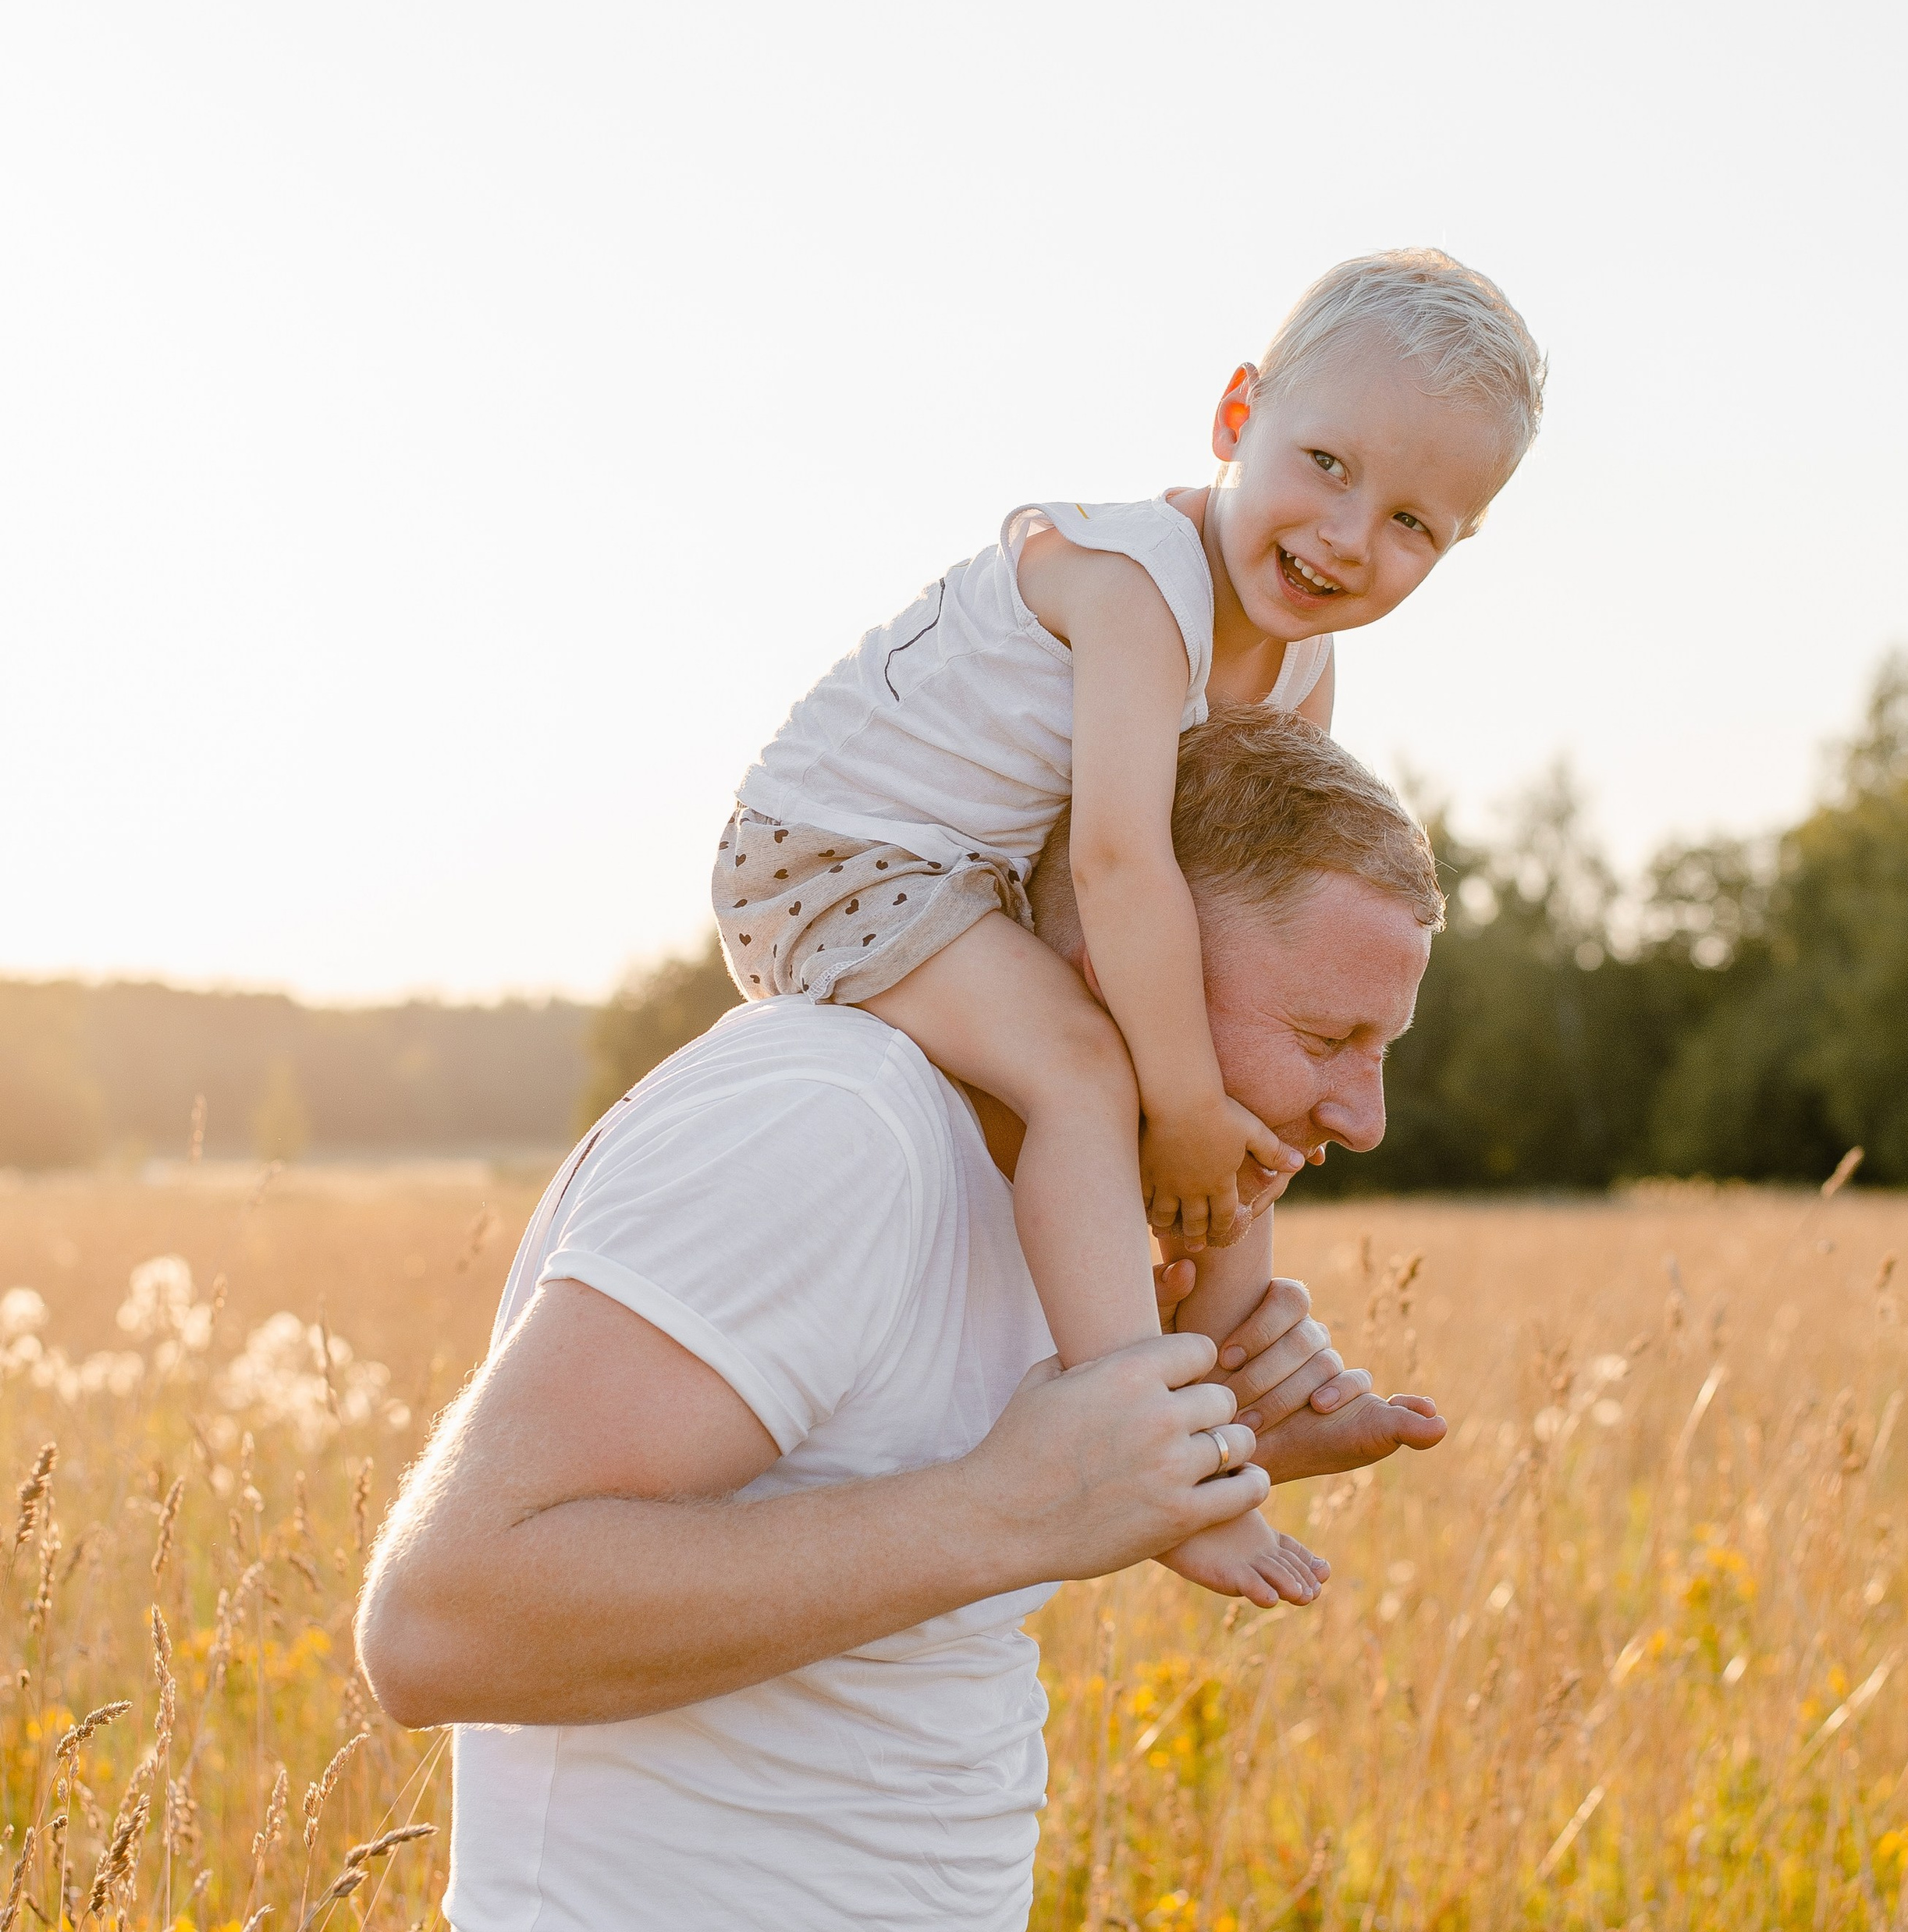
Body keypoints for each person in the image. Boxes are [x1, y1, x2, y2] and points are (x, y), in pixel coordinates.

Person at [357, 704, 1448, 1932]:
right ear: (1128, 982)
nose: (1364, 1118)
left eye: (1382, 1052)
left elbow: (878, 1578)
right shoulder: (830, 1124)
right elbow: (439, 1622)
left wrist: (1182, 1456)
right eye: (1326, 1039)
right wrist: (1009, 1511)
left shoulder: (1059, 1191)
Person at [716, 247, 1540, 1601]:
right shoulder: (1135, 585)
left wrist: (1220, 1110)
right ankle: (1153, 1463)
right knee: (1095, 1076)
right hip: (838, 857)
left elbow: (1231, 899)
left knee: (1234, 1086)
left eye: (1413, 525)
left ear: (1457, 544)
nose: (1348, 536)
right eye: (1327, 464)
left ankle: (1229, 1405)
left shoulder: (1305, 659)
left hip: (982, 881)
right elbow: (1115, 860)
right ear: (1236, 418)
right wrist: (1178, 1097)